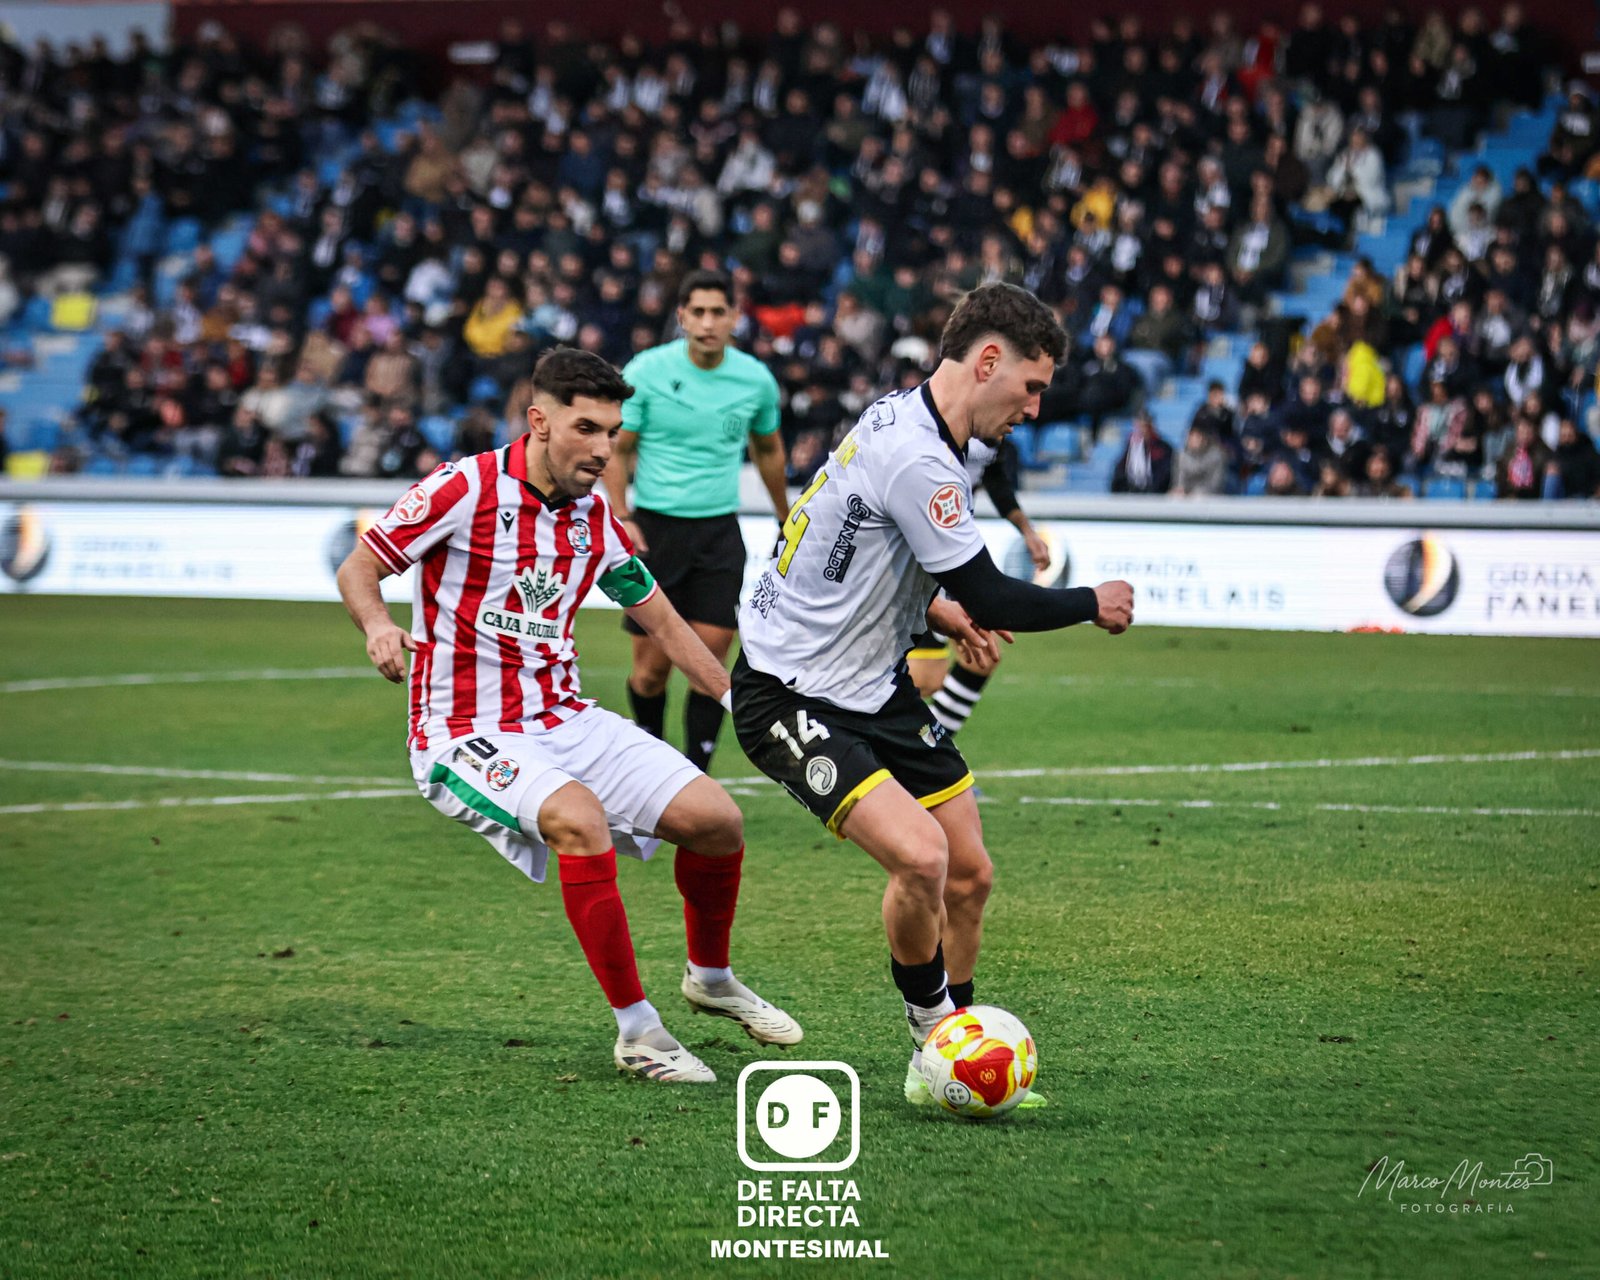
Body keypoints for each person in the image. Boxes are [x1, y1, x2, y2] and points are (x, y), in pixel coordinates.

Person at [335, 347, 801, 1084]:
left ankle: (710, 978)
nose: (603, 449)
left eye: (613, 432)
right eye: (587, 428)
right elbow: (361, 565)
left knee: (717, 821)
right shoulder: (464, 487)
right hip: (464, 730)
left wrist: (737, 699)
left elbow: (665, 621)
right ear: (539, 419)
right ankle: (639, 1032)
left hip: (564, 715)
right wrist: (377, 626)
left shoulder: (595, 521)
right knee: (579, 819)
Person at [732, 284, 1134, 1109]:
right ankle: (936, 1045)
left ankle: (952, 1041)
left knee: (970, 875)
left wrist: (937, 610)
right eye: (1030, 386)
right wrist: (1091, 601)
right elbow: (995, 592)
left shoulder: (907, 422)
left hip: (870, 684)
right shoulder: (920, 456)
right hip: (787, 695)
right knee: (922, 857)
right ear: (987, 361)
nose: (1032, 408)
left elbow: (865, 553)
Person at [603, 270, 789, 771]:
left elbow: (768, 449)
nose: (708, 323)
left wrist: (785, 514)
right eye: (698, 312)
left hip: (718, 533)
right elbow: (618, 450)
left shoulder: (755, 380)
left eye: (718, 312)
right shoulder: (646, 371)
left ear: (735, 318)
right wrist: (622, 516)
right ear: (682, 316)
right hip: (655, 531)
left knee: (710, 666)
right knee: (650, 673)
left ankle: (695, 771)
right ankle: (651, 764)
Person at [907, 436, 1052, 737]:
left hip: (950, 556)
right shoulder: (935, 424)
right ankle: (906, 763)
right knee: (924, 678)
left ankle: (928, 755)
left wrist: (1027, 531)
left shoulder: (992, 434)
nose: (1030, 411)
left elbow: (995, 480)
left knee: (981, 655)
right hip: (916, 559)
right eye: (1029, 391)